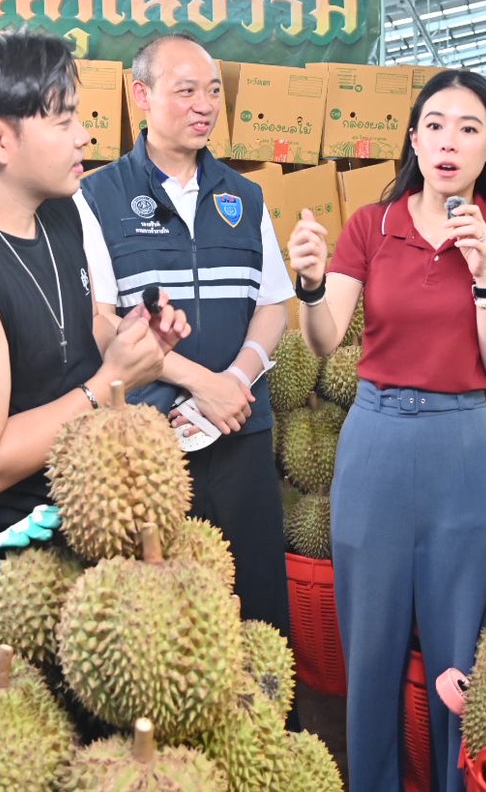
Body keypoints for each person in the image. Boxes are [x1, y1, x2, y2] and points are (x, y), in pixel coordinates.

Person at [287, 70, 486, 792]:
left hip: (462, 446)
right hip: (375, 443)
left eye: (467, 128)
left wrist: (485, 272)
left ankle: (461, 781)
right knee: (369, 651)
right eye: (433, 124)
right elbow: (323, 338)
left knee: (459, 657)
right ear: (413, 138)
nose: (447, 141)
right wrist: (308, 283)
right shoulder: (373, 225)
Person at [0, 30, 188, 575]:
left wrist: (133, 339)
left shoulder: (61, 212)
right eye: (64, 121)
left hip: (94, 504)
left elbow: (87, 326)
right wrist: (108, 384)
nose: (85, 136)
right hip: (15, 555)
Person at [75, 33, 293, 638]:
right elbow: (101, 322)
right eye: (186, 90)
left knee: (258, 611)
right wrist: (200, 384)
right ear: (141, 95)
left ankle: (274, 728)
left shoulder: (243, 197)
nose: (205, 105)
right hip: (151, 441)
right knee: (167, 624)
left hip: (241, 430)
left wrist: (235, 382)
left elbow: (273, 306)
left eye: (214, 90)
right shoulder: (97, 197)